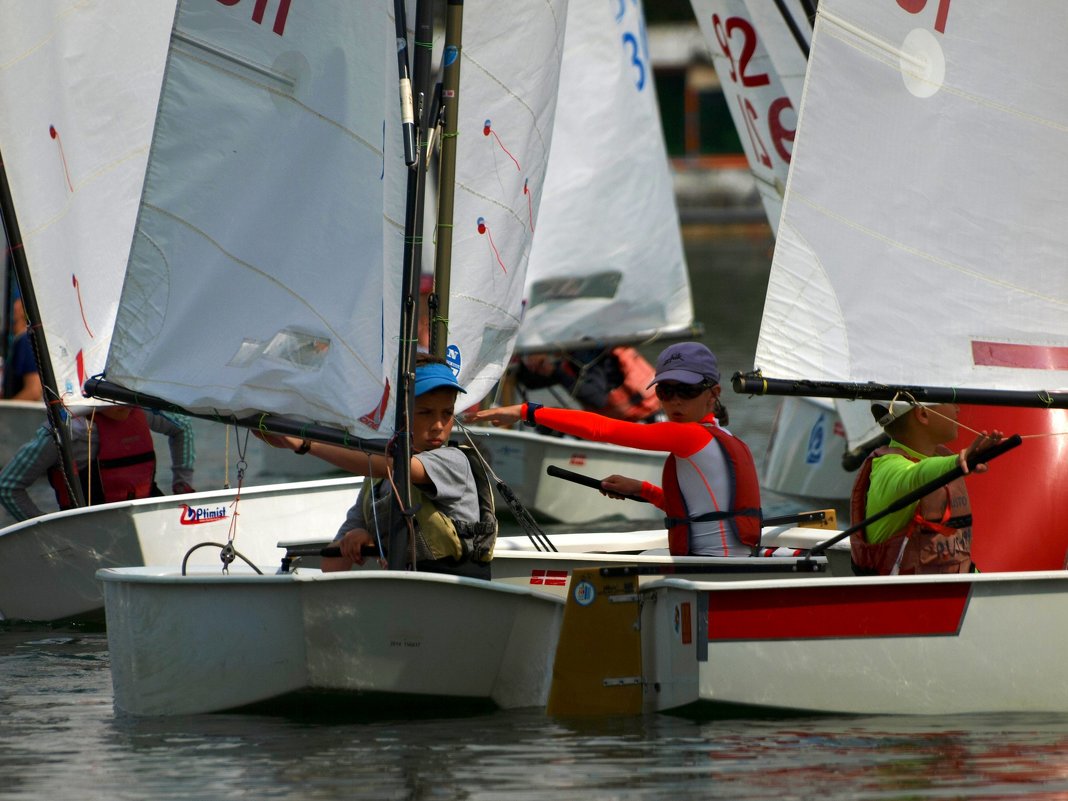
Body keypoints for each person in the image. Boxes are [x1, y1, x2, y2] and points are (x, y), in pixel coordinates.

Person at [474, 341, 762, 557]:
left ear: (713, 394)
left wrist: (526, 411)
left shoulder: (690, 437)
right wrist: (644, 490)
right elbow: (700, 512)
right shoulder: (724, 436)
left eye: (686, 391)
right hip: (721, 561)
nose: (675, 401)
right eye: (665, 391)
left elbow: (604, 429)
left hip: (713, 567)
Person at [255, 354, 496, 577]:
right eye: (425, 413)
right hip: (404, 593)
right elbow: (331, 567)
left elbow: (399, 467)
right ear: (400, 414)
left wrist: (307, 444)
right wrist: (355, 541)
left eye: (447, 413)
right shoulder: (377, 483)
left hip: (455, 587)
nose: (438, 425)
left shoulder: (453, 461)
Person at [849, 399, 1003, 575]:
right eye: (950, 401)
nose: (958, 408)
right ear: (923, 414)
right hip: (905, 598)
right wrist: (957, 462)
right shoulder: (888, 469)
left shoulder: (937, 459)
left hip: (954, 594)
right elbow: (916, 475)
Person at [0, 405, 196, 522]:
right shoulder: (66, 433)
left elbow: (183, 427)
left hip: (148, 520)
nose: (123, 403)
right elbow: (8, 486)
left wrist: (182, 485)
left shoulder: (140, 411)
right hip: (93, 532)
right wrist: (45, 530)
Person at [513, 346, 662, 423]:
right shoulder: (572, 357)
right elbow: (533, 383)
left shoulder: (592, 356)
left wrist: (556, 372)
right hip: (630, 420)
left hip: (641, 422)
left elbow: (597, 399)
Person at [2, 298, 42, 401]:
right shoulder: (20, 341)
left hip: (23, 416)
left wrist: (5, 412)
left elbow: (34, 391)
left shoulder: (25, 341)